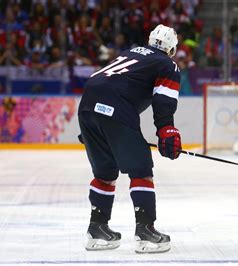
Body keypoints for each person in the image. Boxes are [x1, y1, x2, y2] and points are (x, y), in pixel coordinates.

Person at [77, 24, 181, 253]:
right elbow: (164, 100)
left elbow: (104, 82)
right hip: (115, 108)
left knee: (104, 172)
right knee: (140, 167)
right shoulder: (167, 64)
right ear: (172, 49)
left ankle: (97, 231)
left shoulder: (130, 53)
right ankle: (146, 232)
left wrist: (94, 127)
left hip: (87, 106)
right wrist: (166, 130)